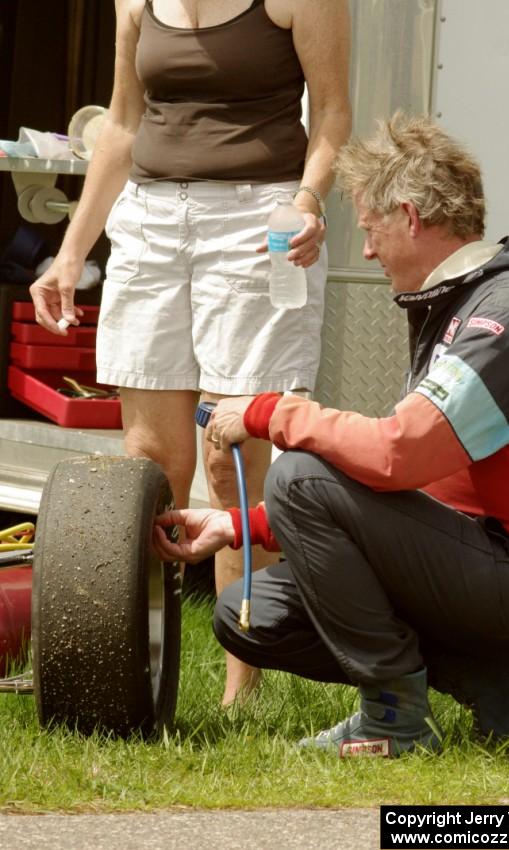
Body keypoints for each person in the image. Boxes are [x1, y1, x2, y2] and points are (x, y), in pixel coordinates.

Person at [153, 112, 509, 756]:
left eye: (371, 231)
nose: (367, 251)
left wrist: (268, 412)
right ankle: (495, 677)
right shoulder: (456, 304)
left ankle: (394, 716)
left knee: (296, 469)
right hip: (486, 561)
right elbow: (415, 489)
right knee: (249, 611)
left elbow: (397, 456)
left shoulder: (499, 317)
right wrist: (242, 529)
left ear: (410, 215)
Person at [29, 0, 352, 705]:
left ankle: (245, 683)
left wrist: (307, 200)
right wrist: (70, 253)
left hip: (255, 217)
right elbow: (120, 124)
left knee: (229, 456)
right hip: (148, 220)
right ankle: (137, 671)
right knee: (150, 461)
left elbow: (330, 116)